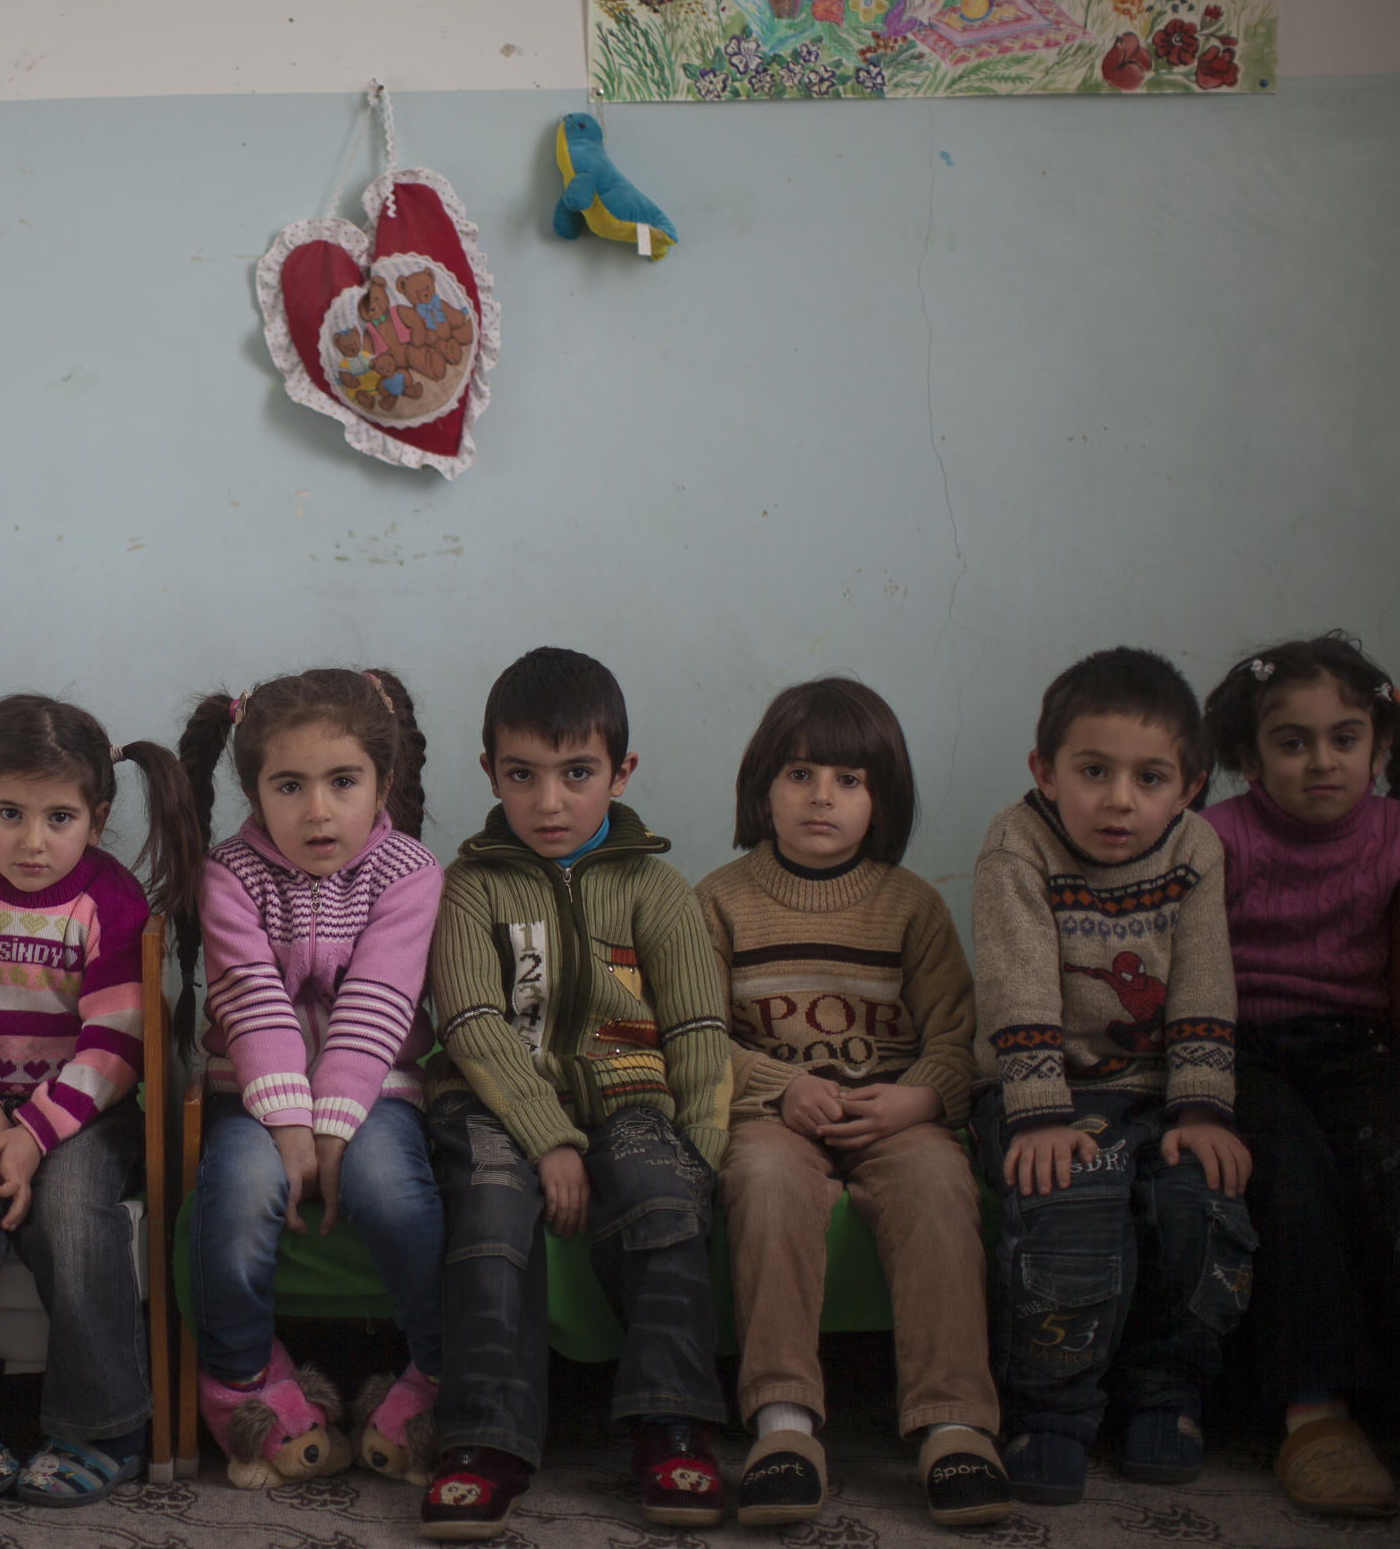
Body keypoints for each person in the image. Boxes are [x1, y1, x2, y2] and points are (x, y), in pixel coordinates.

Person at [422, 647, 731, 1539]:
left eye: (577, 774)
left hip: (633, 1098)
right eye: (522, 775)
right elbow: (472, 1020)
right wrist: (550, 1138)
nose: (548, 802)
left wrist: (701, 1151)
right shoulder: (468, 886)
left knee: (666, 1200)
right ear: (489, 773)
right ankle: (485, 1441)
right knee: (487, 1213)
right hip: (492, 1099)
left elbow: (700, 1033)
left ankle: (673, 1421)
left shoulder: (657, 888)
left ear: (621, 771)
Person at [698, 677, 1007, 1529]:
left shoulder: (912, 907)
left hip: (893, 1115)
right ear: (764, 787)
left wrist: (916, 1102)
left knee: (942, 1192)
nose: (822, 797)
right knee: (760, 1186)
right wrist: (778, 1086)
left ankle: (955, 1424)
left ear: (884, 797)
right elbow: (693, 1033)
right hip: (773, 1118)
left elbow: (957, 1038)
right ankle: (784, 1424)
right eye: (800, 774)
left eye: (849, 779)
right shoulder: (719, 900)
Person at [0, 694, 201, 1506]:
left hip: (83, 1118)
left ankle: (105, 1424)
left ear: (95, 818)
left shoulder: (109, 899)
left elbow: (115, 1046)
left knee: (71, 1214)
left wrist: (31, 1134)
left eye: (58, 816)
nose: (34, 839)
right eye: (10, 813)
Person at [970, 647, 1252, 1506]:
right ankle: (1050, 1410)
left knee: (1200, 1202)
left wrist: (1204, 1105)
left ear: (1191, 785)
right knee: (1072, 1195)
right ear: (1045, 771)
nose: (1120, 799)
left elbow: (1206, 978)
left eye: (1150, 776)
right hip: (1039, 1093)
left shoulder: (1195, 848)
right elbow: (1017, 984)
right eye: (1093, 770)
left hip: (1161, 1087)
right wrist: (1038, 1114)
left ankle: (1165, 1392)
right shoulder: (1016, 842)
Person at [174, 667, 445, 1490]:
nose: (318, 810)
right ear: (255, 792)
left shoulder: (410, 870)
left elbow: (378, 1002)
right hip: (251, 1093)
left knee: (395, 1193)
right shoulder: (228, 874)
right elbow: (252, 1003)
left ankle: (439, 1375)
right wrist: (290, 1127)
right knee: (232, 1196)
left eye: (343, 782)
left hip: (379, 1091)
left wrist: (332, 1128)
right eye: (290, 786)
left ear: (383, 784)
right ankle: (247, 1386)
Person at [1199, 637, 1400, 1517]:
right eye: (1292, 741)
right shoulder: (1215, 838)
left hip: (1362, 1042)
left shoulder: (1393, 833)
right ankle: (1313, 1410)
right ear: (1248, 758)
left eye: (1346, 738)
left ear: (1380, 749)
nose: (1323, 760)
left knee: (1386, 1161)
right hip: (1241, 1043)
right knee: (1286, 1170)